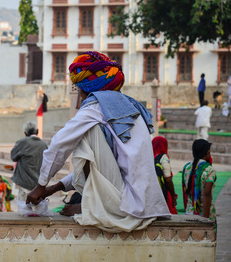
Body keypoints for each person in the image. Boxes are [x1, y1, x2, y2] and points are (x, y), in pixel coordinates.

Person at [26, 51, 170, 232]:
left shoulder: (95, 107)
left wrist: (40, 186)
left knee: (82, 133)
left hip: (126, 206)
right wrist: (51, 189)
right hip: (142, 201)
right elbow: (103, 164)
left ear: (83, 90)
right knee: (84, 132)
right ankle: (95, 204)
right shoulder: (127, 104)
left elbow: (59, 145)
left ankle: (95, 206)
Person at [182, 139, 216, 229]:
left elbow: (185, 191)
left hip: (189, 213)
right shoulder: (209, 169)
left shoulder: (187, 167)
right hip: (204, 214)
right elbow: (207, 194)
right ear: (208, 153)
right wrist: (205, 220)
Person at [10, 121, 48, 201]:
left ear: (25, 133)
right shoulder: (44, 145)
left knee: (24, 208)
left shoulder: (22, 142)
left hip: (24, 182)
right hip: (38, 183)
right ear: (37, 131)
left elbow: (13, 157)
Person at [152, 136, 178, 214]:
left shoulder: (150, 156)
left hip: (153, 193)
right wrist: (173, 195)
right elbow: (168, 179)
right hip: (164, 193)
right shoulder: (163, 158)